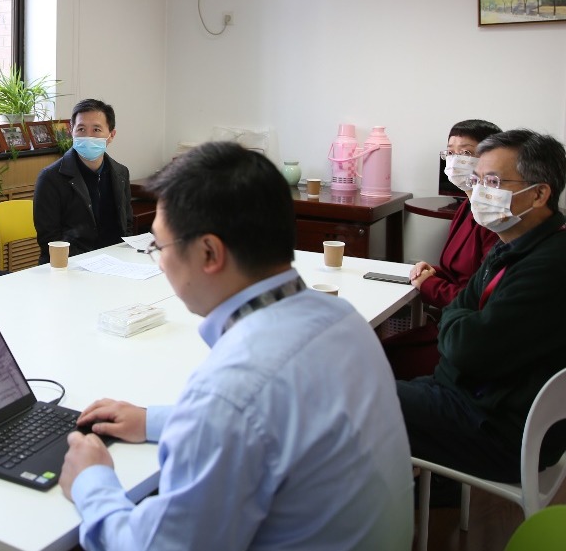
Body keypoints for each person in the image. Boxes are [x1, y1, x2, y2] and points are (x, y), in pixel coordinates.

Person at [60, 142, 413, 550]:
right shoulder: (342, 319)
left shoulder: (231, 391)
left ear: (209, 252)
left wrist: (92, 481)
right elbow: (268, 425)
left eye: (159, 246)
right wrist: (154, 420)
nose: (160, 262)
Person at [396, 129, 566, 488]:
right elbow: (463, 311)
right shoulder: (516, 245)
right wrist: (461, 322)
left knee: (358, 396)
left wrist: (458, 323)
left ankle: (396, 501)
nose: (478, 192)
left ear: (539, 194)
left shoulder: (550, 268)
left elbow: (462, 348)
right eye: (477, 181)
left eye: (492, 182)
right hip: (495, 403)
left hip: (505, 433)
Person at [384, 118, 502, 379]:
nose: (455, 160)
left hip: (467, 338)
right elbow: (459, 270)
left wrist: (430, 285)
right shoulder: (466, 206)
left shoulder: (493, 220)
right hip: (451, 324)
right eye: (450, 152)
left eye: (466, 153)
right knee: (375, 349)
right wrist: (434, 272)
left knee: (379, 357)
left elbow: (480, 299)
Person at [33, 99, 134, 264]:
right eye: (81, 129)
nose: (88, 136)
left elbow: (127, 225)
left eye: (96, 129)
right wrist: (90, 263)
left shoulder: (121, 173)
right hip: (69, 265)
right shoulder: (50, 178)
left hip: (115, 262)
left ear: (111, 135)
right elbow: (49, 239)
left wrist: (123, 258)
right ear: (71, 131)